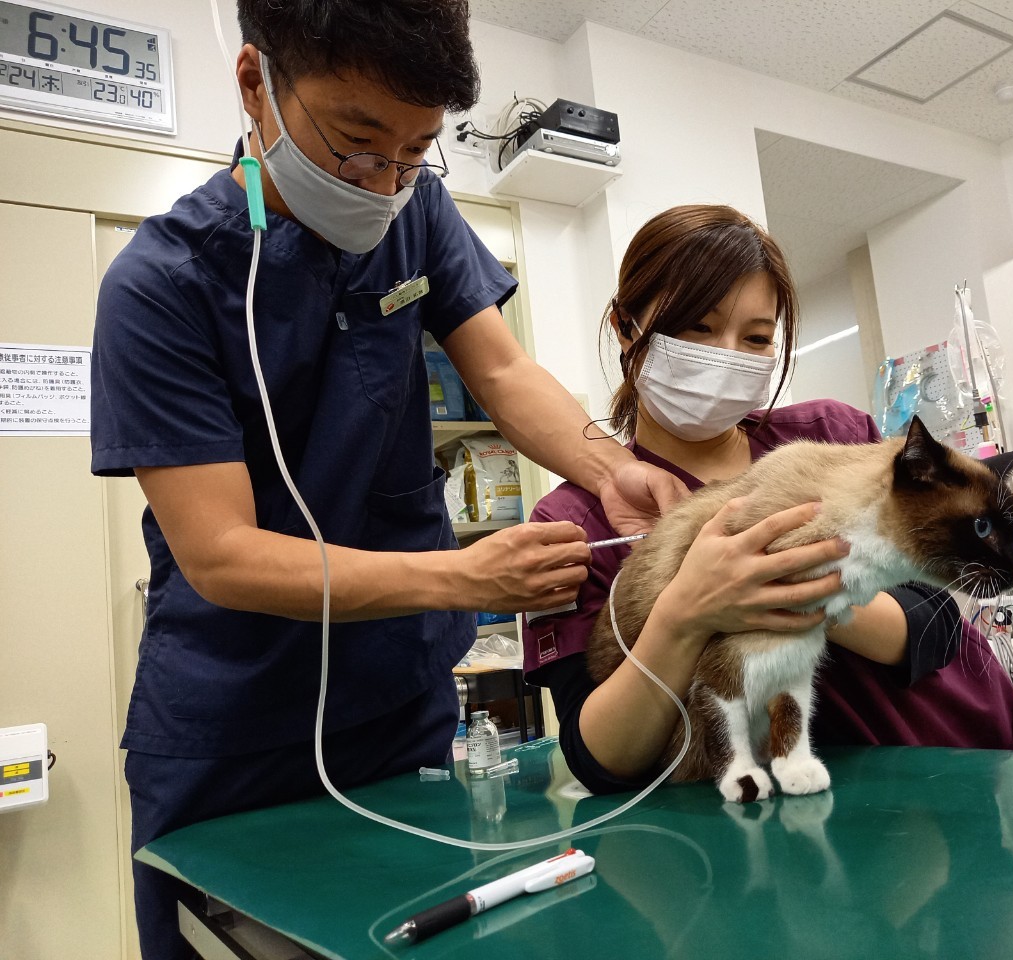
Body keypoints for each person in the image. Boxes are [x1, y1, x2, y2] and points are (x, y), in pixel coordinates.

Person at [90, 3, 684, 957]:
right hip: (231, 728)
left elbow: (500, 371)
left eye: (416, 152)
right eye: (357, 145)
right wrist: (468, 578)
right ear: (256, 84)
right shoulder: (160, 285)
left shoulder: (416, 215)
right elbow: (223, 557)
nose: (384, 183)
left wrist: (611, 466)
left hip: (396, 706)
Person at [522, 204, 1013, 796]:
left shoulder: (830, 435)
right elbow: (599, 760)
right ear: (624, 325)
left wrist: (793, 582)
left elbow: (936, 627)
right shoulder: (576, 522)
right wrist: (686, 611)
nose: (725, 353)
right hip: (839, 816)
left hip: (980, 750)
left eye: (756, 337)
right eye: (697, 327)